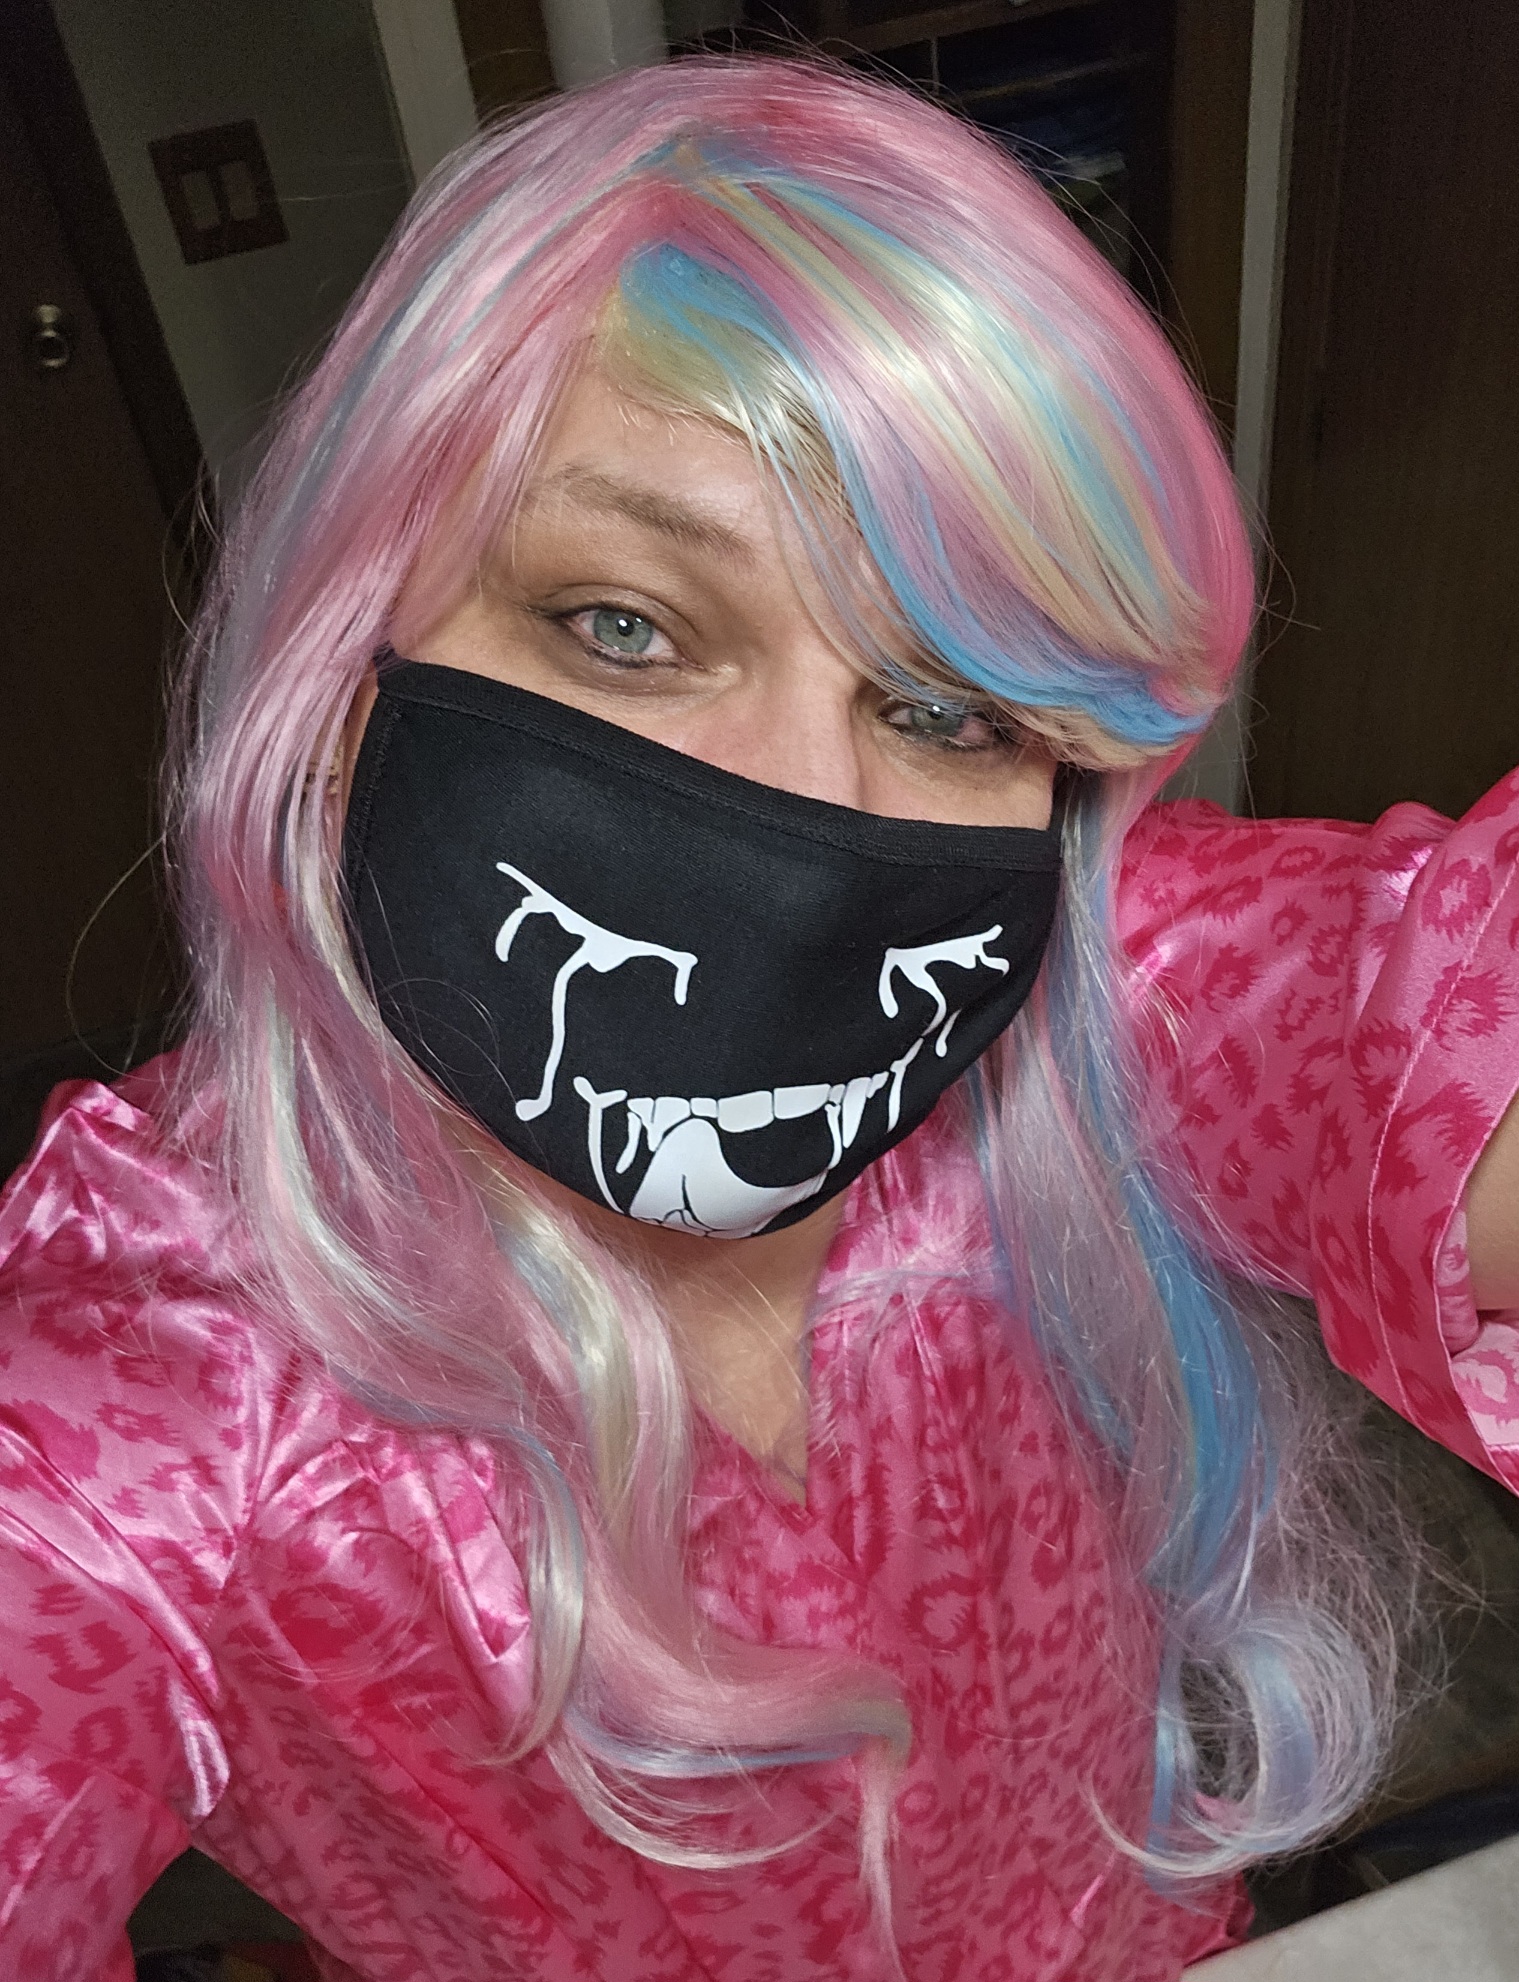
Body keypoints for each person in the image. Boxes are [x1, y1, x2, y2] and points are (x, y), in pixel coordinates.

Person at [2, 55, 1517, 1982]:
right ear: (349, 657)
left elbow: (1419, 1011)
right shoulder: (164, 1374)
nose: (809, 818)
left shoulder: (1085, 999)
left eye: (949, 709)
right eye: (625, 625)